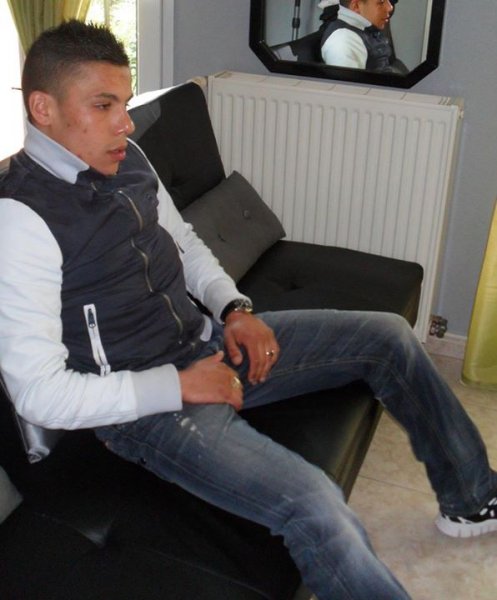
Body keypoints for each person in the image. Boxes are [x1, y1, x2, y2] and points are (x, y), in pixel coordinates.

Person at [0, 20, 495, 600]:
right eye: (103, 105)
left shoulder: (128, 157)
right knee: (314, 505)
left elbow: (185, 245)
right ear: (43, 108)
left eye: (125, 103)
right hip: (147, 410)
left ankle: (472, 497)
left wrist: (234, 309)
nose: (125, 123)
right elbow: (39, 394)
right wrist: (179, 385)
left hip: (206, 343)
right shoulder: (21, 218)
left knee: (389, 337)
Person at [320, 0, 407, 74]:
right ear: (356, 6)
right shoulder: (343, 41)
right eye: (381, 2)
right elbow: (348, 87)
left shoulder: (366, 29)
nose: (390, 7)